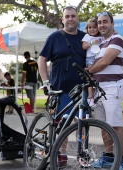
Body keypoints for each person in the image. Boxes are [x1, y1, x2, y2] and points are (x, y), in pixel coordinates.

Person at [38, 5, 88, 168]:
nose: (70, 19)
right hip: (60, 89)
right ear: (62, 19)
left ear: (78, 18)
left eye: (73, 16)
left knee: (82, 125)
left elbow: (102, 41)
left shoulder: (85, 37)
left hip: (81, 90)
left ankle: (82, 155)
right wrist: (46, 82)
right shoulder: (54, 37)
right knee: (63, 126)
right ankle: (62, 155)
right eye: (67, 16)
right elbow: (42, 59)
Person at [88, 12, 123, 170]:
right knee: (104, 125)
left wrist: (88, 70)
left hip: (113, 86)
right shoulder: (99, 43)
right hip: (98, 88)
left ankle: (121, 160)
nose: (101, 25)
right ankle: (108, 157)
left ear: (112, 24)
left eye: (105, 22)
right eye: (99, 22)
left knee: (115, 125)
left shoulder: (117, 39)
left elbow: (105, 62)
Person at [82, 18, 102, 107]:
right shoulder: (87, 37)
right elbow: (84, 47)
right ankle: (90, 97)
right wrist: (91, 43)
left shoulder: (101, 37)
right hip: (90, 58)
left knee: (97, 76)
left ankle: (96, 95)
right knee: (90, 76)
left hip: (99, 57)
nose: (92, 29)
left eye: (94, 27)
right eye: (89, 27)